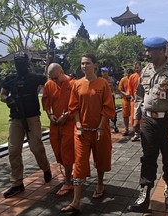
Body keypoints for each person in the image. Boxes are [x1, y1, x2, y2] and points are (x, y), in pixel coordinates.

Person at [127, 37, 168, 212]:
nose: (147, 54)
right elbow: (139, 96)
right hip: (148, 121)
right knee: (148, 158)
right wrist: (136, 118)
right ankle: (144, 195)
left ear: (162, 50)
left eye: (151, 50)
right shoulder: (145, 70)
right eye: (147, 50)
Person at [61, 53, 115, 213]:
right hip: (82, 132)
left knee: (102, 157)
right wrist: (78, 126)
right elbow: (73, 107)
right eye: (82, 63)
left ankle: (100, 184)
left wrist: (100, 127)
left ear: (95, 65)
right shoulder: (77, 84)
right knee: (79, 164)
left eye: (88, 63)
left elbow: (107, 108)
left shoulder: (103, 84)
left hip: (100, 129)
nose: (84, 66)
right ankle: (76, 201)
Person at [0, 52, 52, 198]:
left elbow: (51, 84)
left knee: (36, 148)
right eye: (17, 62)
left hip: (32, 118)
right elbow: (2, 95)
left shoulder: (35, 77)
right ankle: (17, 183)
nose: (19, 64)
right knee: (13, 151)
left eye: (22, 62)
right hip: (15, 120)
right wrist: (8, 99)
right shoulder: (10, 79)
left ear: (27, 63)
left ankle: (46, 168)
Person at [42, 63, 75, 196]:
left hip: (69, 123)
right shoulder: (49, 85)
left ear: (62, 72)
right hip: (55, 124)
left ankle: (68, 183)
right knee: (58, 150)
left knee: (67, 150)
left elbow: (77, 104)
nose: (54, 81)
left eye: (55, 78)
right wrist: (50, 115)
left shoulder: (73, 84)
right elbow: (46, 102)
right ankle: (70, 173)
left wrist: (66, 115)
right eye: (51, 78)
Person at [101, 66, 119, 133]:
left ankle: (114, 125)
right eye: (102, 72)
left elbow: (118, 84)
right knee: (103, 111)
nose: (104, 73)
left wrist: (116, 92)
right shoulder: (100, 80)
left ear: (107, 72)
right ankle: (105, 125)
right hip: (103, 98)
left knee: (113, 110)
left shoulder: (112, 79)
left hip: (111, 97)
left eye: (105, 72)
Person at [128, 61, 143, 141]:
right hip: (135, 100)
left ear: (141, 66)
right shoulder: (132, 77)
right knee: (134, 118)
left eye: (137, 67)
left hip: (144, 100)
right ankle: (136, 133)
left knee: (144, 118)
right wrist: (132, 97)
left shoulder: (145, 75)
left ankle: (143, 133)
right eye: (135, 68)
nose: (136, 69)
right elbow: (130, 89)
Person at [117, 68, 133, 136]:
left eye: (130, 74)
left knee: (135, 115)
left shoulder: (136, 78)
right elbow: (120, 89)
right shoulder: (123, 79)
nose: (129, 75)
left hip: (133, 99)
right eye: (128, 74)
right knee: (125, 115)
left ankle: (136, 129)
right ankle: (126, 129)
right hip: (125, 99)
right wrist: (125, 94)